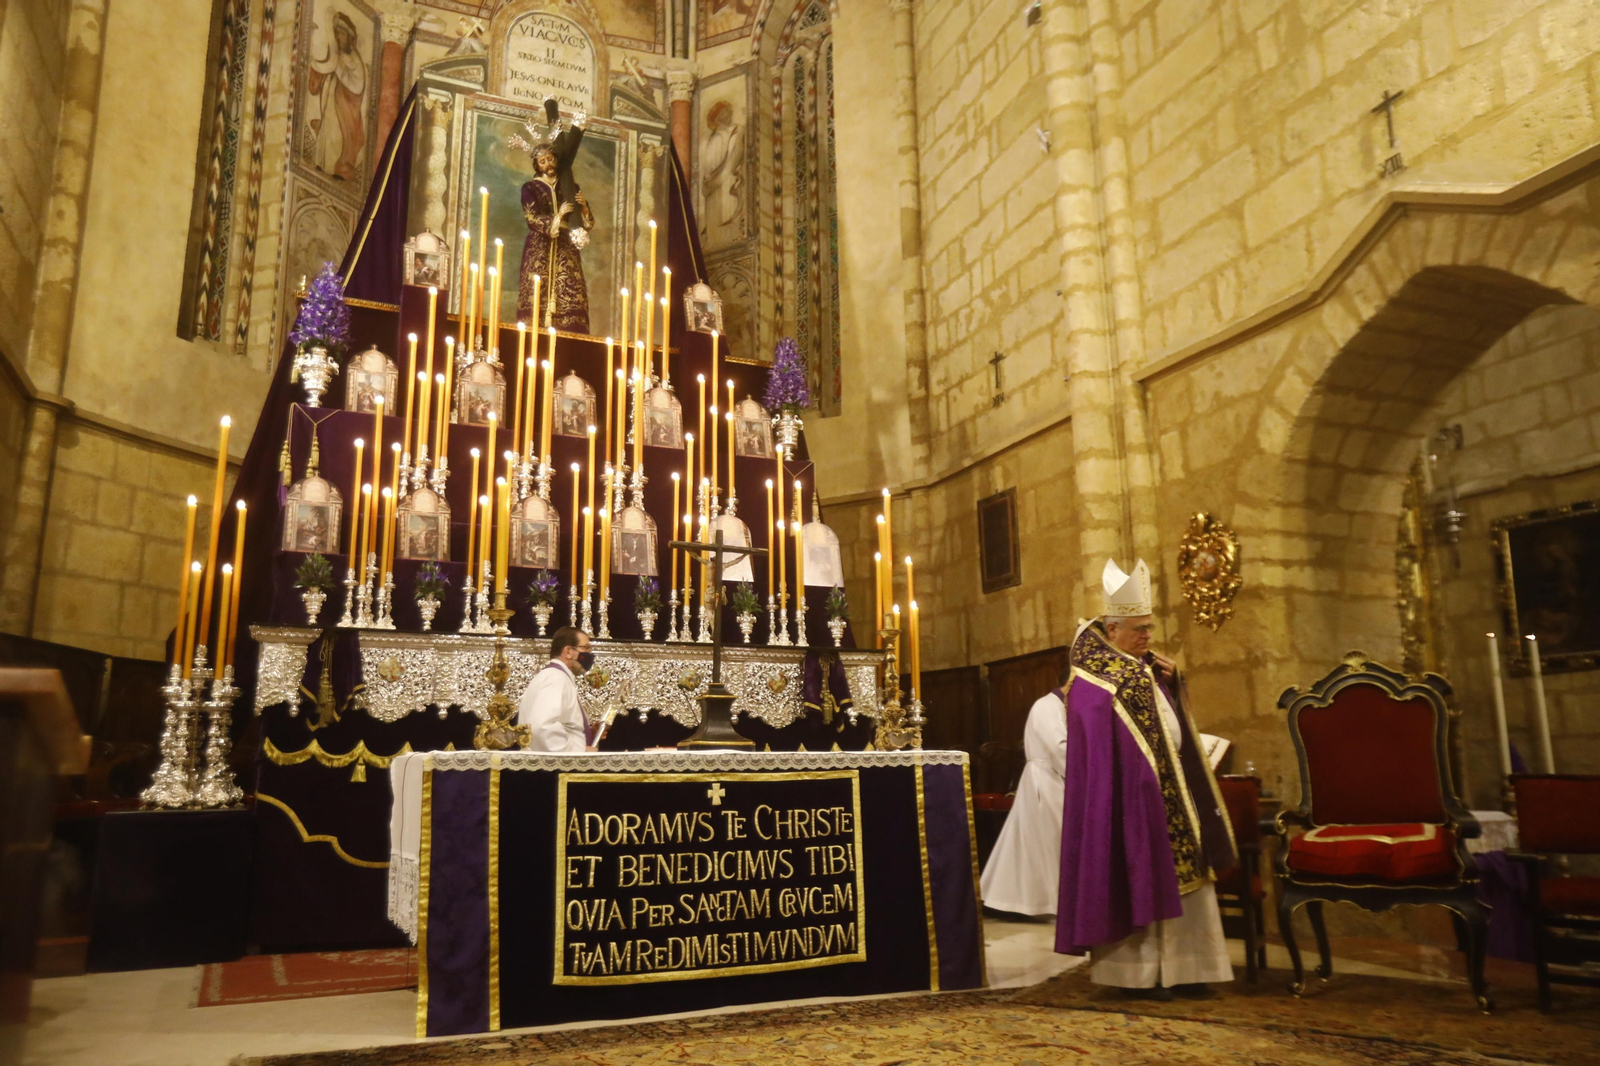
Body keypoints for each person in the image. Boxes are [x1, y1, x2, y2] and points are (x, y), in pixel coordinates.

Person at [1055, 559, 1236, 1000]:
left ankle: (1189, 970)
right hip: (1130, 795)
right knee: (1140, 873)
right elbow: (1099, 737)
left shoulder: (1141, 667)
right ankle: (1140, 976)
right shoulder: (1095, 676)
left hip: (1169, 788)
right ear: (1112, 630)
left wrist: (1173, 684)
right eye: (1139, 629)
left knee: (1188, 882)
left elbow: (1164, 721)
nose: (1147, 637)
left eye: (1149, 628)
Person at [979, 667, 1068, 916]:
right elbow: (1059, 748)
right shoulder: (1047, 706)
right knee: (1049, 841)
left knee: (1035, 842)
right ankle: (1048, 903)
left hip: (1053, 778)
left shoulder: (1060, 706)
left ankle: (1022, 902)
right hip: (1046, 780)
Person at [517, 98, 594, 332]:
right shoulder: (530, 188)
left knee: (568, 286)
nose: (548, 163)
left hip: (565, 245)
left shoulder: (569, 185)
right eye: (542, 161)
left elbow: (586, 222)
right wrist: (558, 217)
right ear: (536, 164)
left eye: (551, 159)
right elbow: (531, 218)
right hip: (540, 245)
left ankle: (570, 332)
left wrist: (584, 209)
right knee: (537, 292)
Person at [516, 626, 595, 752]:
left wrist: (589, 733)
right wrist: (580, 750)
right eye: (585, 648)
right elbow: (542, 727)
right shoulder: (556, 678)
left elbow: (562, 724)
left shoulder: (554, 675)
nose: (589, 655)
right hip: (555, 768)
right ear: (568, 651)